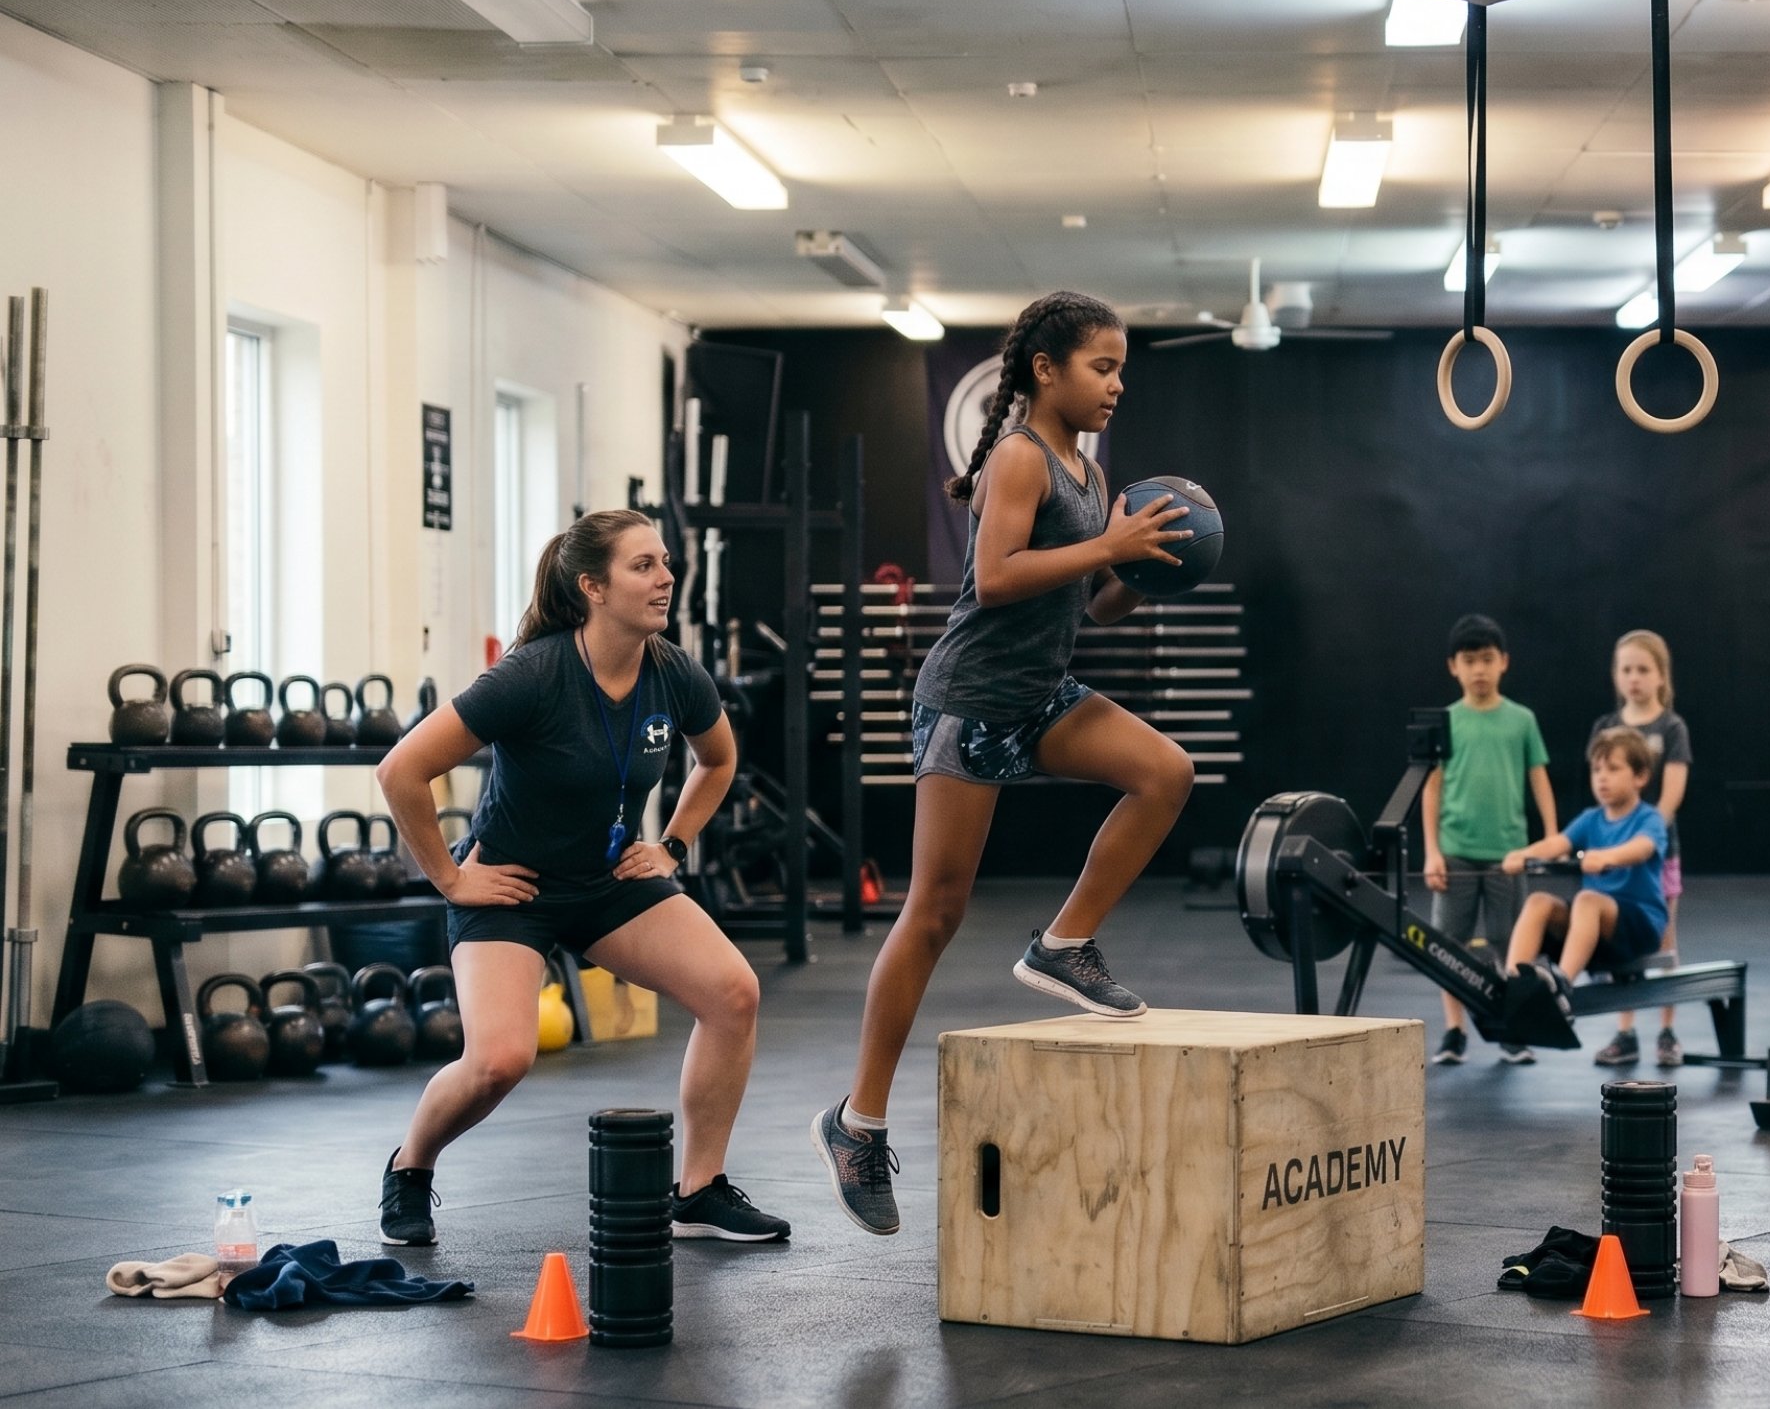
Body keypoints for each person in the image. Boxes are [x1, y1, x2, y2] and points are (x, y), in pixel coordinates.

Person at [813, 291, 1198, 1237]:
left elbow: (1094, 604)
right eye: (1101, 367)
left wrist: (1141, 571)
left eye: (1122, 370)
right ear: (1045, 369)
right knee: (934, 913)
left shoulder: (1088, 468)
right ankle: (856, 1122)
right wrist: (1108, 542)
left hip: (1040, 694)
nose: (1116, 385)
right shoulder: (1020, 456)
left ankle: (1064, 943)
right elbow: (994, 578)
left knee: (1166, 771)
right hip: (969, 700)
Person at [373, 509, 786, 1248]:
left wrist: (673, 845)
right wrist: (451, 879)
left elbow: (719, 759)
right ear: (593, 586)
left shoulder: (672, 671)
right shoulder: (532, 674)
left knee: (733, 994)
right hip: (514, 889)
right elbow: (401, 770)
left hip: (609, 881)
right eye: (643, 565)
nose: (665, 578)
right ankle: (411, 1166)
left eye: (665, 562)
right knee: (499, 1060)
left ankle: (699, 1190)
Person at [1423, 614, 1556, 1066]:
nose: (1478, 669)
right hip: (1455, 853)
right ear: (1453, 666)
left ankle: (1510, 1028)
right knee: (1447, 946)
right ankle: (1455, 1030)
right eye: (1469, 660)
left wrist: (1551, 838)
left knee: (1510, 943)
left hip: (1509, 855)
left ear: (1503, 662)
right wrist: (1432, 851)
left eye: (1486, 659)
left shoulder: (1521, 720)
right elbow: (1432, 788)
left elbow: (1539, 779)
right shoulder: (1445, 721)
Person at [1499, 727, 1669, 1027]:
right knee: (1539, 902)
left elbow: (1643, 848)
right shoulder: (1591, 818)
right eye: (1596, 770)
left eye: (1613, 769)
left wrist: (1607, 856)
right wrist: (1523, 855)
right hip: (1595, 925)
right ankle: (1513, 989)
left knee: (1587, 899)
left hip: (1640, 926)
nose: (1602, 778)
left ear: (1640, 777)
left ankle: (1561, 988)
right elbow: (1557, 844)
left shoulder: (1649, 818)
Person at [1590, 630, 1692, 1068]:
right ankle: (1625, 1032)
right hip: (1614, 855)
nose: (1634, 678)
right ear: (1616, 675)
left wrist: (1645, 839)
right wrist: (1614, 845)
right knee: (1623, 943)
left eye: (1643, 669)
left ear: (1660, 676)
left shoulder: (1671, 728)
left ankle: (1667, 1031)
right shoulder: (1605, 728)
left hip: (1658, 854)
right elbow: (1603, 788)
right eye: (1626, 669)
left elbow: (1671, 795)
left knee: (1664, 938)